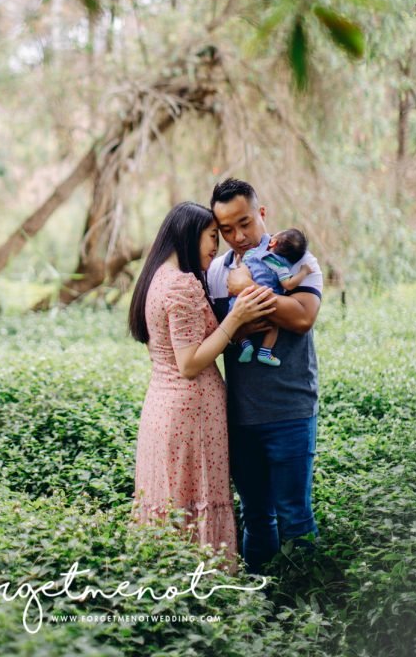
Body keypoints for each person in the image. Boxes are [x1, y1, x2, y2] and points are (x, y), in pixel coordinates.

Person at [128, 201, 276, 569]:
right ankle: (207, 592)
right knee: (195, 503)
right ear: (190, 235)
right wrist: (236, 318)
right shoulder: (181, 285)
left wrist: (237, 327)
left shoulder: (155, 278)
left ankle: (169, 584)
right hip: (189, 417)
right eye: (213, 236)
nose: (217, 246)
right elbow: (190, 362)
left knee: (170, 504)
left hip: (162, 409)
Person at [208, 179, 323, 573]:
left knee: (295, 515)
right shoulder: (216, 272)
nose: (237, 237)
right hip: (240, 416)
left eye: (244, 223)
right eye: (225, 229)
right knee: (256, 516)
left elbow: (304, 317)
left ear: (262, 213)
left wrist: (249, 290)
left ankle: (310, 601)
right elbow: (220, 337)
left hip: (290, 408)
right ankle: (261, 603)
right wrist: (242, 309)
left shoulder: (294, 258)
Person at [231, 228, 317, 367]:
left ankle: (245, 344)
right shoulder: (279, 265)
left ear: (272, 242)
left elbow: (241, 269)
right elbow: (288, 285)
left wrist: (238, 263)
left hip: (243, 301)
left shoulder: (251, 254)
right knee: (273, 326)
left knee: (237, 323)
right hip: (264, 303)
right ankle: (265, 352)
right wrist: (303, 272)